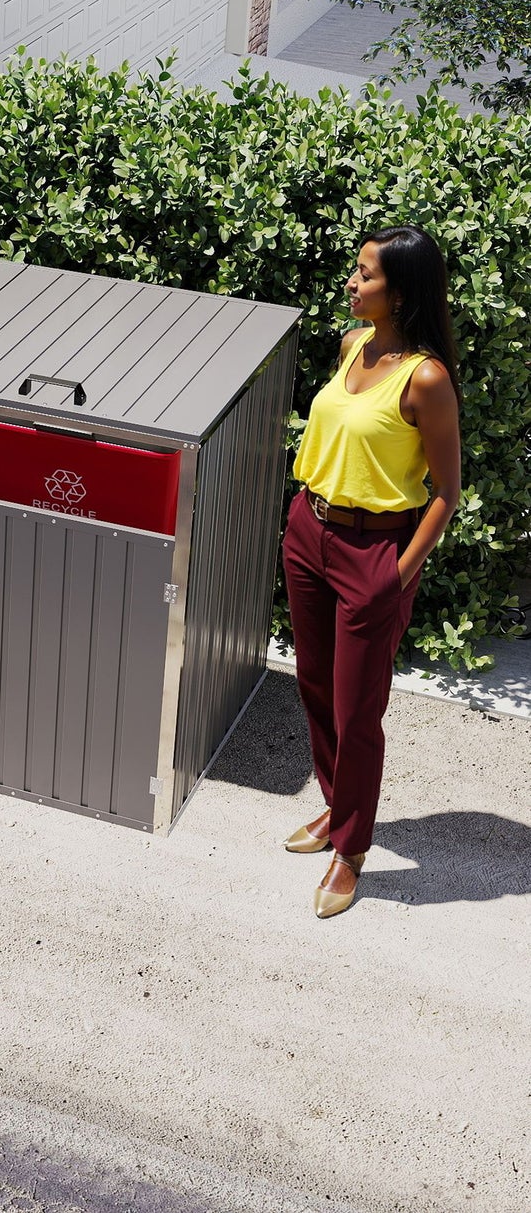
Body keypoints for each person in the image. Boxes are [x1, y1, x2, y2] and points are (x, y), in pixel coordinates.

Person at [281, 226, 461, 917]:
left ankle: (351, 850)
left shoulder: (425, 379)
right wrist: (299, 525)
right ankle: (338, 806)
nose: (352, 283)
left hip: (374, 551)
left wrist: (398, 575)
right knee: (315, 684)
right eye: (355, 270)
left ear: (401, 291)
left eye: (365, 274)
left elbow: (445, 491)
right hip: (309, 530)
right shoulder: (351, 344)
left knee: (358, 709)